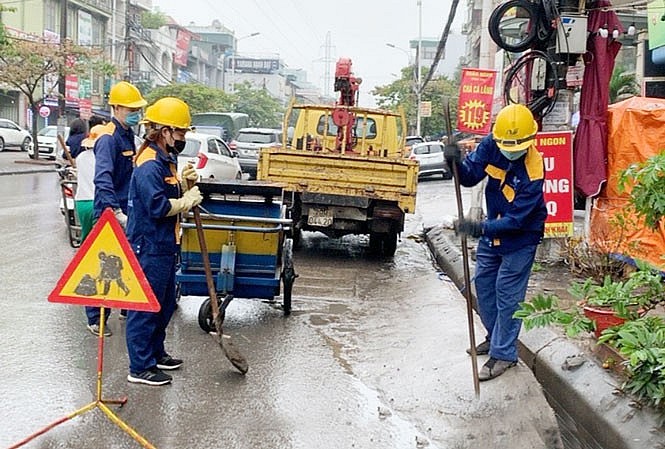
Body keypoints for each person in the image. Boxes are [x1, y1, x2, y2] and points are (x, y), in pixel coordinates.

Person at [444, 103, 548, 381]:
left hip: (520, 237)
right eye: (506, 144)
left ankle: (504, 355)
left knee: (508, 295)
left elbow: (517, 222)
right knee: (484, 287)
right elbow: (469, 176)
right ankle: (495, 337)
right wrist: (453, 161)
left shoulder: (533, 171)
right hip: (493, 231)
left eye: (517, 145)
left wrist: (478, 228)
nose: (510, 149)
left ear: (530, 141)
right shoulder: (493, 145)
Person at [125, 96, 201, 386]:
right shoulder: (148, 163)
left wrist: (183, 184)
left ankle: (155, 354)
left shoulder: (165, 158)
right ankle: (140, 366)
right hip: (149, 244)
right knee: (146, 306)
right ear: (165, 131)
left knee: (165, 303)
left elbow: (166, 192)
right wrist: (186, 200)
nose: (183, 138)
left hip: (165, 243)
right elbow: (157, 206)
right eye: (180, 132)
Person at [85, 81, 147, 333]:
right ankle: (95, 318)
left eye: (137, 109)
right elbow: (102, 178)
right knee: (105, 266)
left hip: (127, 209)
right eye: (131, 109)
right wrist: (115, 210)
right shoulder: (108, 138)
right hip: (109, 212)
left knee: (127, 261)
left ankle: (124, 306)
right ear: (117, 108)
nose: (136, 113)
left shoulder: (129, 136)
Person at [74, 125, 111, 336]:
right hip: (99, 204)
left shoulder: (80, 158)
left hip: (83, 204)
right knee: (104, 257)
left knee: (90, 250)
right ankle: (99, 316)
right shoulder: (104, 159)